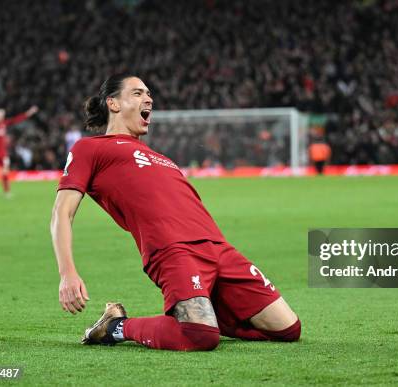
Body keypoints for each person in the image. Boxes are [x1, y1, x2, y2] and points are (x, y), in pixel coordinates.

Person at [50, 74, 300, 351]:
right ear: (113, 104)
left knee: (288, 328)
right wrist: (67, 272)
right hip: (173, 248)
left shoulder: (162, 158)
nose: (149, 98)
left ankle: (203, 314)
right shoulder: (89, 148)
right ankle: (115, 327)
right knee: (200, 337)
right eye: (137, 93)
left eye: (149, 93)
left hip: (219, 248)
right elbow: (62, 212)